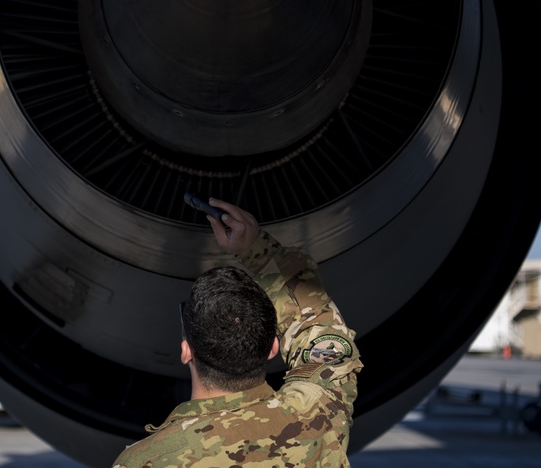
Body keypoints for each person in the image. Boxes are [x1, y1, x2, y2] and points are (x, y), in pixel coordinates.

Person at [112, 198, 362, 467]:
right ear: (272, 348)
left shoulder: (145, 461)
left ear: (186, 351)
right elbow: (322, 331)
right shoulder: (317, 414)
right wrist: (259, 251)